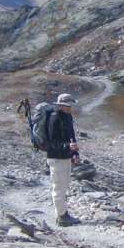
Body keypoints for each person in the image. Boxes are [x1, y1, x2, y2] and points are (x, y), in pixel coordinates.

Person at [46, 93, 81, 227]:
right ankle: (61, 217)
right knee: (59, 187)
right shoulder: (54, 119)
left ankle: (63, 214)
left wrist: (75, 153)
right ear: (61, 105)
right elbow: (50, 143)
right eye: (67, 106)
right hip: (56, 158)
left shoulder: (67, 117)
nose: (70, 108)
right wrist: (67, 146)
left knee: (64, 185)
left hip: (65, 157)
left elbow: (71, 137)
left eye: (70, 105)